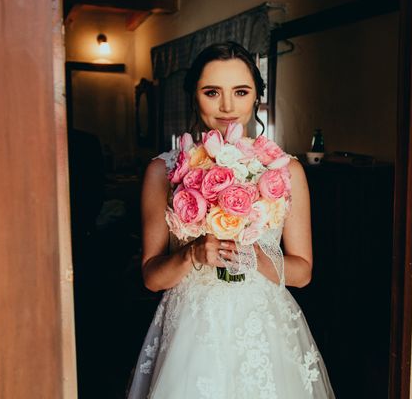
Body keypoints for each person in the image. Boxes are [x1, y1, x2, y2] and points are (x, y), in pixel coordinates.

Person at [127, 42, 336, 398]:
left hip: (263, 329)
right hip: (191, 332)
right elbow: (151, 277)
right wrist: (192, 254)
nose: (227, 106)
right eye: (212, 92)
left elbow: (302, 272)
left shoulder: (287, 171)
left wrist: (254, 256)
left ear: (257, 98)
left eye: (241, 92)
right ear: (194, 97)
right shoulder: (163, 171)